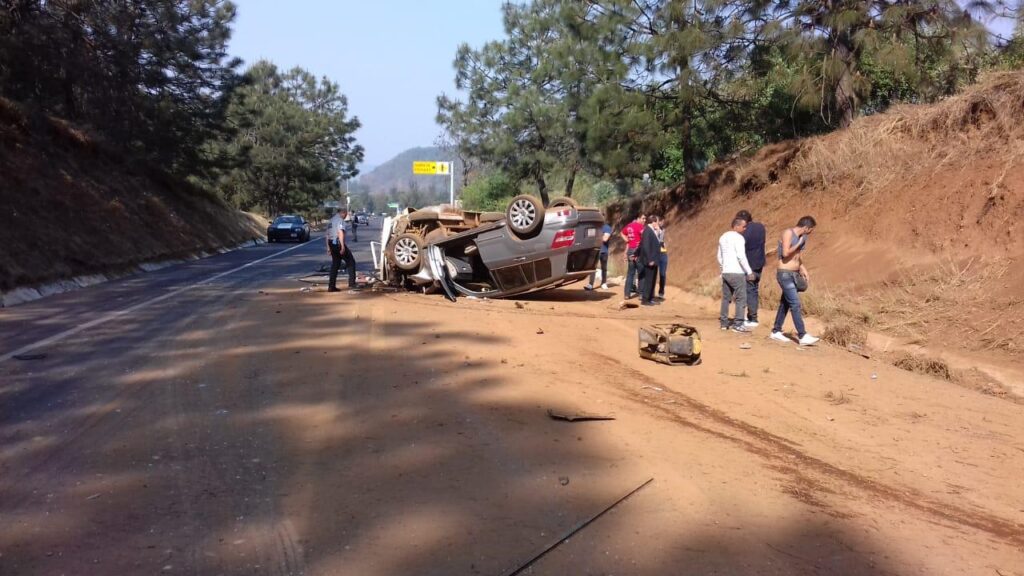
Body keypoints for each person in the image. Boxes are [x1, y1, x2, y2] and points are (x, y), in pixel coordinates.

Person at [769, 216, 819, 346]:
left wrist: (803, 269)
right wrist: (799, 242)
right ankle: (802, 335)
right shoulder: (788, 233)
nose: (810, 233)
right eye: (810, 230)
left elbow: (797, 256)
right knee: (795, 304)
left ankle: (776, 331)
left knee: (785, 303)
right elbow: (785, 253)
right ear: (806, 228)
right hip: (784, 274)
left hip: (794, 273)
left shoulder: (804, 238)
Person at [717, 217, 755, 332]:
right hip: (737, 272)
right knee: (741, 298)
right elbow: (741, 256)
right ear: (736, 226)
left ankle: (724, 323)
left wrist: (722, 268)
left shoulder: (723, 237)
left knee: (726, 298)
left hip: (726, 272)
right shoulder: (739, 238)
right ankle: (738, 324)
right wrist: (749, 271)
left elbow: (719, 255)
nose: (745, 229)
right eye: (743, 226)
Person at [736, 209, 766, 328]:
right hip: (759, 262)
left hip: (748, 264)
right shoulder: (760, 227)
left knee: (746, 291)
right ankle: (753, 318)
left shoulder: (745, 231)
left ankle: (746, 317)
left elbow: (742, 246)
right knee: (754, 290)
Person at [326, 206, 357, 292]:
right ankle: (352, 283)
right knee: (351, 262)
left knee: (335, 264)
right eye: (345, 214)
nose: (345, 216)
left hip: (331, 243)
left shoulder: (331, 221)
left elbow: (327, 235)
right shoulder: (340, 220)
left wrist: (328, 247)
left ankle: (331, 286)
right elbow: (340, 232)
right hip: (338, 243)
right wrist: (342, 246)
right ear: (342, 213)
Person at [636, 214, 662, 305]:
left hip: (654, 259)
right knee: (649, 279)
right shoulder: (647, 231)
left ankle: (650, 298)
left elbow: (658, 241)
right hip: (650, 260)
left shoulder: (652, 230)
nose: (658, 223)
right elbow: (646, 246)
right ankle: (645, 299)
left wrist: (659, 231)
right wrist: (649, 259)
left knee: (653, 279)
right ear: (653, 222)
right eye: (657, 221)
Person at [621, 213, 646, 299]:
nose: (644, 220)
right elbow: (645, 237)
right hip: (638, 251)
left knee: (630, 273)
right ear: (638, 218)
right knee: (641, 273)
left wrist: (627, 241)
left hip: (630, 250)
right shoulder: (639, 226)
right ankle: (641, 294)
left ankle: (627, 294)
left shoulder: (629, 225)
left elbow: (622, 233)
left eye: (645, 219)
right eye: (643, 218)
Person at [585, 216, 613, 291]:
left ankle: (603, 283)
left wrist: (596, 235)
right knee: (593, 268)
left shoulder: (607, 227)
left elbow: (605, 239)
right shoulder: (594, 227)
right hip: (595, 250)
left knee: (604, 268)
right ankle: (590, 284)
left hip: (603, 251)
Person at [655, 218, 668, 299]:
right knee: (653, 273)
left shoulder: (663, 229)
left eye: (663, 221)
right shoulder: (653, 230)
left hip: (663, 253)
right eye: (660, 221)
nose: (662, 222)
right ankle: (650, 291)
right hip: (655, 253)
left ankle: (661, 292)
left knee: (663, 274)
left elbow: (662, 240)